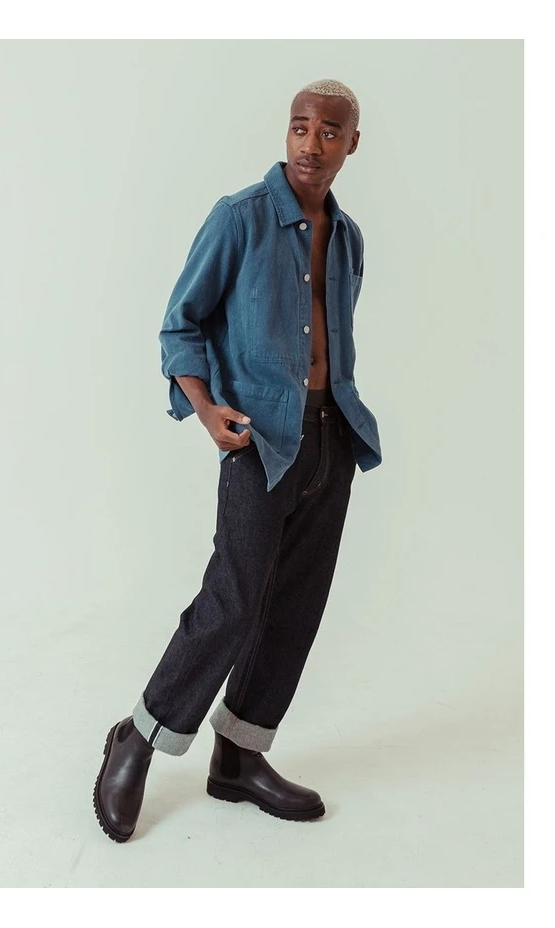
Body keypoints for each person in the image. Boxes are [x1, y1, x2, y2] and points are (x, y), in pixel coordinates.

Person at [93, 78, 383, 842]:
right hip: (259, 440)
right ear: (286, 132)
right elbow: (179, 327)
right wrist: (205, 409)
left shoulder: (348, 237)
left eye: (329, 132)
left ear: (351, 144)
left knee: (296, 606)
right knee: (234, 598)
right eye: (300, 126)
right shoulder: (239, 218)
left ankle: (239, 757)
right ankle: (139, 737)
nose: (311, 143)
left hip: (332, 436)